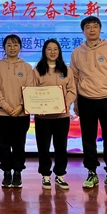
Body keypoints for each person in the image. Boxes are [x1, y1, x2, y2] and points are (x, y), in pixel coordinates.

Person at [70, 16, 107, 191]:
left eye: (95, 26)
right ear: (83, 31)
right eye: (88, 27)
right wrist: (76, 103)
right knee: (88, 138)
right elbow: (74, 79)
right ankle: (91, 172)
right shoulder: (77, 52)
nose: (92, 29)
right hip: (86, 100)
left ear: (100, 29)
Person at [33, 39, 76, 190]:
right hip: (42, 117)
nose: (52, 52)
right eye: (49, 49)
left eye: (55, 49)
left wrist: (66, 103)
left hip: (61, 117)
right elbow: (32, 91)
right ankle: (45, 175)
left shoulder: (66, 70)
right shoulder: (37, 70)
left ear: (59, 51)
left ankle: (60, 175)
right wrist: (36, 106)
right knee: (43, 147)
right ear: (44, 51)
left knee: (61, 146)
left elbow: (72, 90)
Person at [0, 34, 33, 188]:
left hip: (21, 114)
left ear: (20, 47)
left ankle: (17, 172)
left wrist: (20, 106)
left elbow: (29, 89)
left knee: (19, 144)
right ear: (4, 47)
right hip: (1, 113)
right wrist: (6, 106)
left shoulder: (27, 67)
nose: (12, 48)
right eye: (9, 45)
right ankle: (6, 172)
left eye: (15, 45)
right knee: (3, 144)